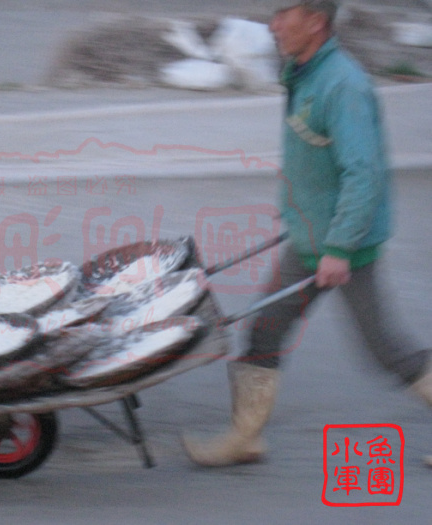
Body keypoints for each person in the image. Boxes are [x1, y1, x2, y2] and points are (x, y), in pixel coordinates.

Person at [182, 0, 432, 467]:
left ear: (315, 22)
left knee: (387, 348)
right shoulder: (305, 71)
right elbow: (315, 157)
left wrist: (339, 248)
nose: (273, 26)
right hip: (311, 237)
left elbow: (364, 175)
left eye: (284, 15)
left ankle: (245, 435)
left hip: (345, 247)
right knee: (266, 330)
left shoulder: (343, 85)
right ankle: (245, 437)